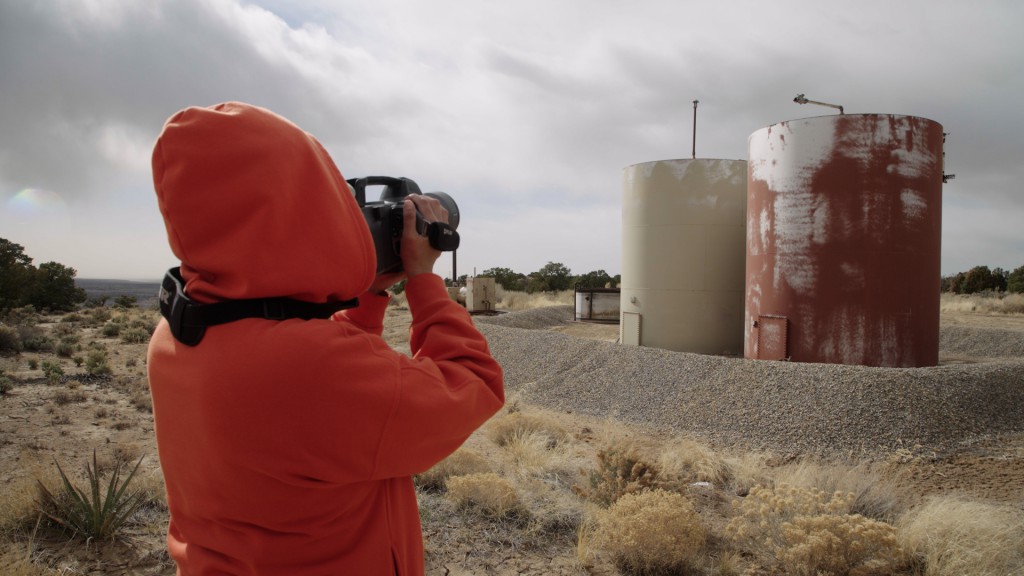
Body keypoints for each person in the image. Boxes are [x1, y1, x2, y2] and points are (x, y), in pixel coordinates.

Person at [147, 102, 504, 575]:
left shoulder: (178, 334)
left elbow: (320, 412)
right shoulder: (312, 370)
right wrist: (422, 280)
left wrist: (370, 291)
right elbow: (475, 383)